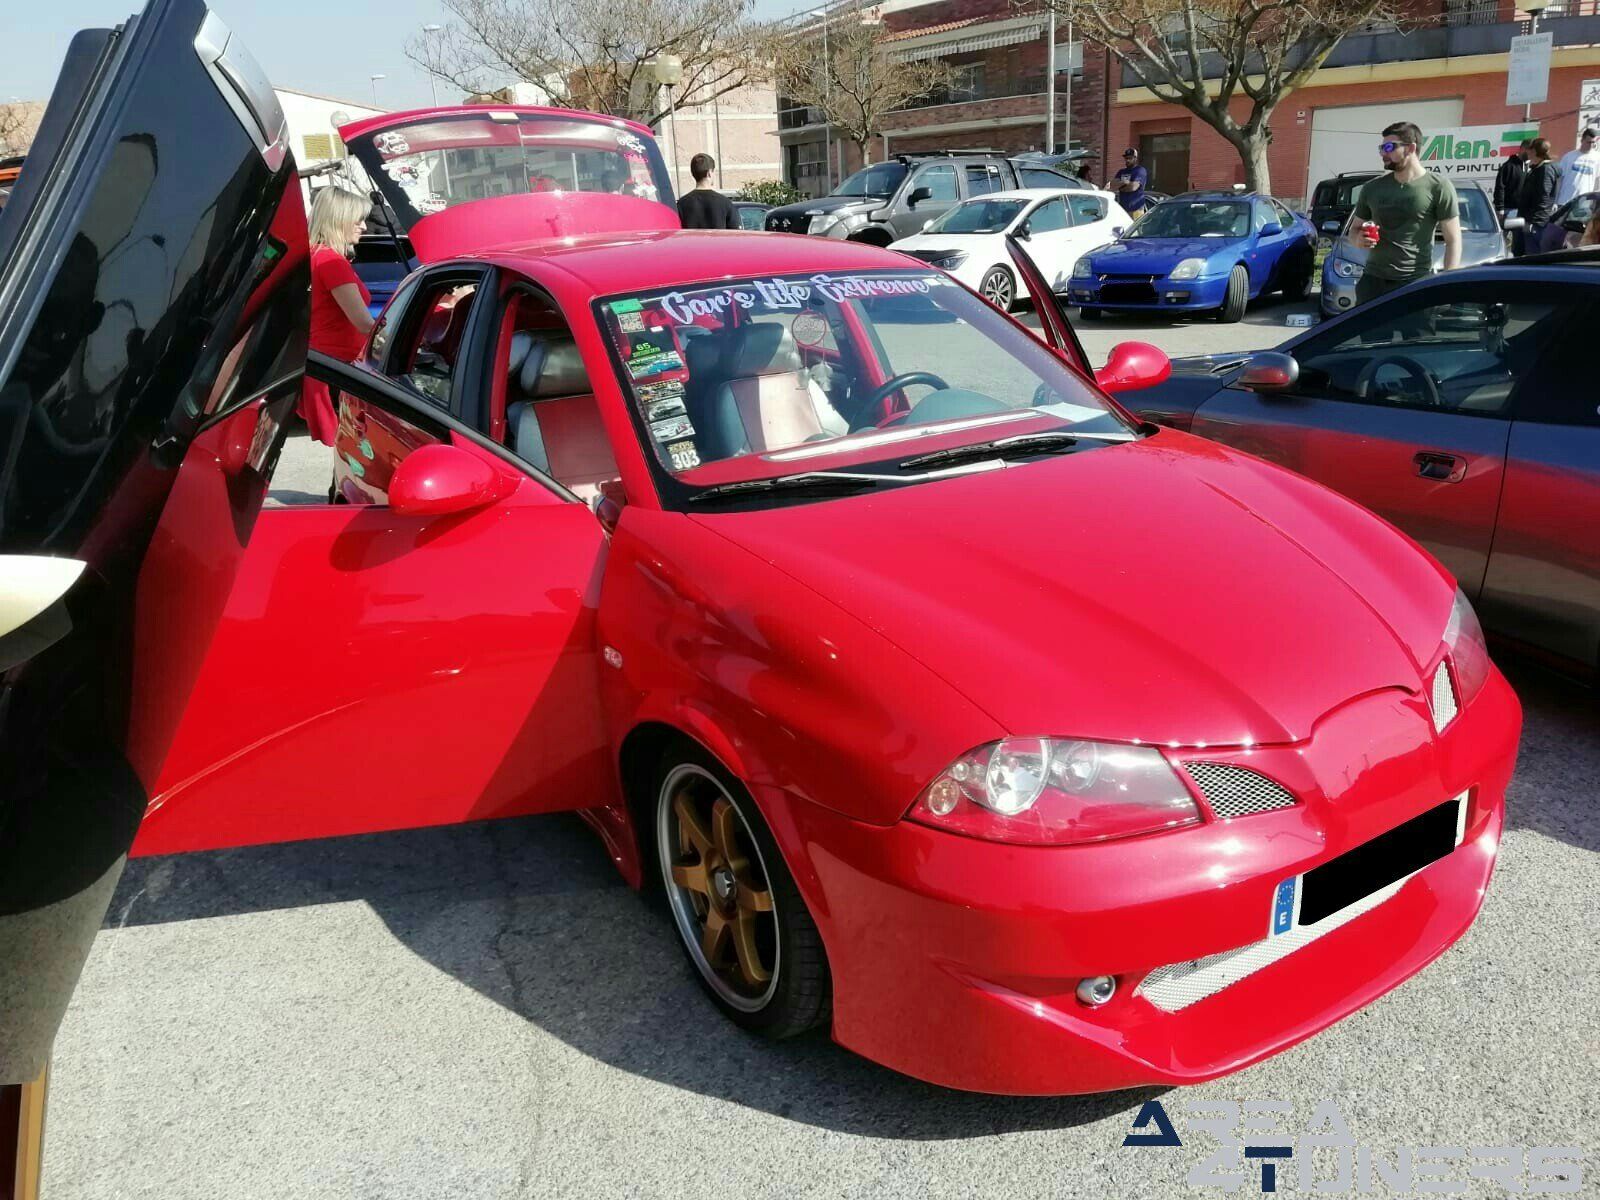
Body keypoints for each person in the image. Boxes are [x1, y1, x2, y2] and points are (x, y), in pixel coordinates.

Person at [1349, 120, 1461, 306]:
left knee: (1415, 337)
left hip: (1415, 282)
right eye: (1381, 148)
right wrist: (1358, 239)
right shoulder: (1372, 188)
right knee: (1372, 336)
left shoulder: (1438, 186)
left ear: (1410, 148)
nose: (1383, 153)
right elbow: (1353, 231)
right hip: (1373, 282)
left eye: (1389, 147)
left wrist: (1447, 284)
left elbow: (1453, 240)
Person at [298, 186, 374, 445]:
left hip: (322, 366)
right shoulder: (332, 261)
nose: (364, 227)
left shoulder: (313, 255)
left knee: (344, 450)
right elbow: (363, 323)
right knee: (352, 449)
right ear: (339, 219)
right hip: (339, 370)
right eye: (358, 220)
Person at [1515, 138, 1559, 256]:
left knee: (1533, 257)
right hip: (1530, 220)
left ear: (1534, 151)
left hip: (1536, 224)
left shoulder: (1545, 170)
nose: (1527, 152)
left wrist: (1533, 223)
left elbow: (1543, 198)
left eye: (1529, 150)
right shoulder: (1537, 168)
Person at [676, 153, 738, 229]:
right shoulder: (725, 203)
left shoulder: (681, 204)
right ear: (709, 173)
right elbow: (734, 235)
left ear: (693, 173)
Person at [1555, 127, 1600, 207]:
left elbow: (1597, 181)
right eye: (1588, 142)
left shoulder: (1597, 158)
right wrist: (1555, 201)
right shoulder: (1569, 156)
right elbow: (1559, 180)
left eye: (1593, 142)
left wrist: (1594, 203)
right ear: (1582, 140)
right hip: (1565, 201)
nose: (1591, 145)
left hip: (1584, 203)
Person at [1494, 139, 1530, 220]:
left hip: (1525, 211)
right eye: (1529, 151)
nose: (1531, 154)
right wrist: (1500, 208)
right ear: (1522, 149)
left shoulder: (1531, 166)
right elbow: (1500, 187)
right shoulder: (1508, 166)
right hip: (1508, 210)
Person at [1106, 148, 1148, 216]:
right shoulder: (1121, 171)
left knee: (1135, 226)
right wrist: (1125, 182)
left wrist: (1121, 187)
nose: (1127, 160)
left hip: (1136, 209)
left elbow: (1133, 187)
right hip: (1123, 209)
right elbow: (1112, 185)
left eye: (1130, 158)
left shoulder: (1140, 170)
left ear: (1135, 158)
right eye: (1126, 158)